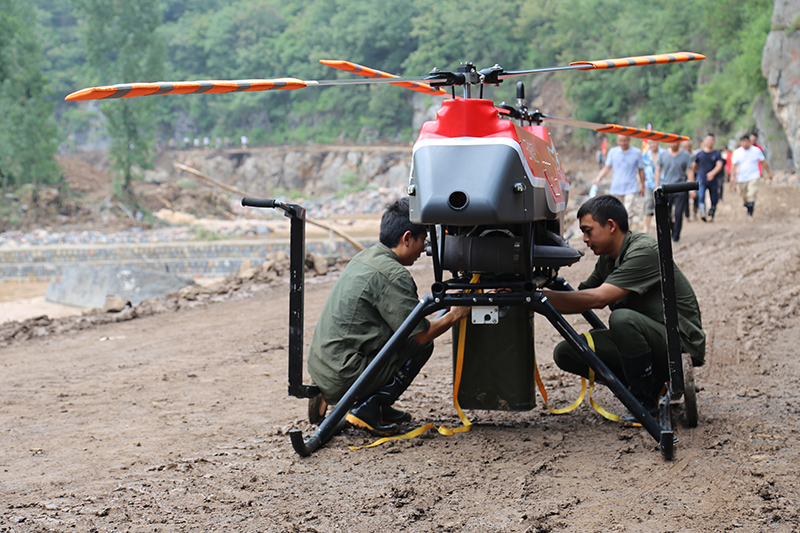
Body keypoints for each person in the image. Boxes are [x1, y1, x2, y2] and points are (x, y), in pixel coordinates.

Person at [307, 198, 470, 436]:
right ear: (406, 238)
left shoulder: (366, 257)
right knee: (420, 346)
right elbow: (422, 334)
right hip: (343, 374)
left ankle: (379, 405)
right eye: (422, 241)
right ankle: (369, 408)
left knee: (405, 337)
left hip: (323, 364)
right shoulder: (394, 275)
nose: (423, 250)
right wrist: (456, 314)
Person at [542, 195, 705, 423]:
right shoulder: (608, 259)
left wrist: (539, 297)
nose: (585, 239)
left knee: (621, 319)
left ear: (611, 226)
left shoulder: (644, 250)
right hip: (646, 338)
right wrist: (537, 286)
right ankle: (650, 384)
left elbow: (597, 299)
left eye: (588, 231)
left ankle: (644, 403)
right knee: (566, 352)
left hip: (680, 343)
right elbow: (578, 297)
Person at [592, 135, 645, 226]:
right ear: (618, 140)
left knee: (628, 213)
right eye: (620, 141)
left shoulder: (636, 152)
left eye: (625, 141)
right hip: (616, 188)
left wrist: (642, 184)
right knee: (615, 213)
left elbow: (641, 170)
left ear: (629, 139)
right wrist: (598, 178)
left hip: (631, 187)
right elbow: (606, 167)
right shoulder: (613, 152)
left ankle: (627, 235)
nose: (623, 143)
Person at [655, 141, 695, 242]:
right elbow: (658, 169)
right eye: (671, 142)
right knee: (666, 213)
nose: (673, 145)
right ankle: (672, 229)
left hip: (680, 187)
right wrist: (656, 186)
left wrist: (691, 188)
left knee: (678, 213)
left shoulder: (685, 154)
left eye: (675, 143)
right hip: (667, 188)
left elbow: (690, 171)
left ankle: (676, 235)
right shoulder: (663, 155)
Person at [731, 134, 773, 217]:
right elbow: (733, 165)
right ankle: (748, 205)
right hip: (741, 177)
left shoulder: (756, 150)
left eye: (746, 141)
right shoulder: (737, 152)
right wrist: (732, 176)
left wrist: (769, 173)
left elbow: (764, 162)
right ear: (740, 142)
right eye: (743, 141)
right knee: (744, 195)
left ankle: (750, 211)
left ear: (749, 142)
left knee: (752, 193)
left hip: (754, 176)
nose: (745, 143)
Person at [692, 133, 724, 221]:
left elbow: (719, 165)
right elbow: (693, 166)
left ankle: (711, 213)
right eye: (708, 140)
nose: (710, 142)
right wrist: (691, 177)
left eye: (712, 140)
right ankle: (702, 212)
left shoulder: (717, 154)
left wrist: (713, 173)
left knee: (714, 198)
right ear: (705, 141)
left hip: (713, 180)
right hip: (701, 179)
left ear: (714, 141)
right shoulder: (699, 154)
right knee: (701, 196)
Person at [640, 141, 661, 233]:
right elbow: (641, 170)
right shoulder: (645, 156)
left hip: (662, 184)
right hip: (649, 184)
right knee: (648, 204)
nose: (653, 145)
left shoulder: (663, 154)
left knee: (661, 207)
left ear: (658, 143)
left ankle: (662, 229)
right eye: (651, 143)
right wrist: (641, 184)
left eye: (654, 143)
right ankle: (646, 230)